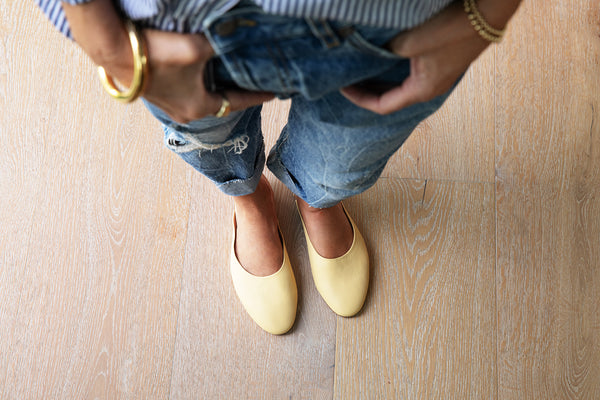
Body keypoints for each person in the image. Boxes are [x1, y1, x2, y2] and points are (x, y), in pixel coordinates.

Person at [36, 0, 522, 335]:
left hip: (394, 17)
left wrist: (490, 15)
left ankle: (318, 197)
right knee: (212, 141)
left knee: (349, 151)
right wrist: (109, 45)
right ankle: (250, 200)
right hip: (179, 22)